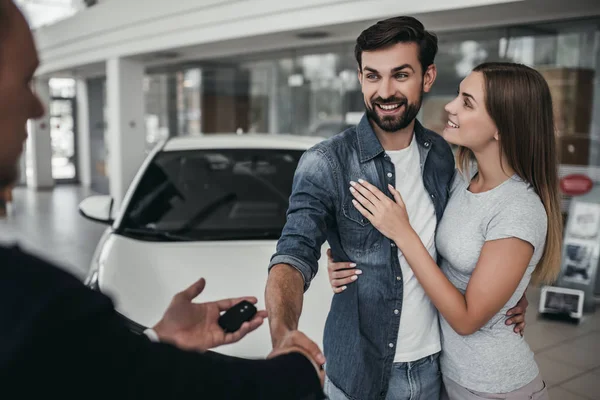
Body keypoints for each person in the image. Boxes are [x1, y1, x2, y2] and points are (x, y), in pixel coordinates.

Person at [0, 1, 325, 398]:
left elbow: (103, 376)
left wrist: (157, 338)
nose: (37, 107)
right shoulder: (32, 304)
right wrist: (301, 369)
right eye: (24, 81)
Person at [265, 16, 528, 400]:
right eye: (372, 76)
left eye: (400, 75)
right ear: (360, 78)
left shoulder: (441, 154)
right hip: (357, 374)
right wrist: (283, 333)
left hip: (436, 367)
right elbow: (291, 256)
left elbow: (480, 234)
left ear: (427, 76)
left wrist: (514, 289)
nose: (384, 91)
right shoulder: (326, 163)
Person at [330, 62, 560, 399]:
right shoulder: (463, 179)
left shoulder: (518, 209)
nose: (450, 107)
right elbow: (464, 263)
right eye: (458, 96)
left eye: (467, 102)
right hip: (450, 376)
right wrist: (343, 258)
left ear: (502, 127)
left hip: (495, 386)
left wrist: (402, 232)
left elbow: (467, 320)